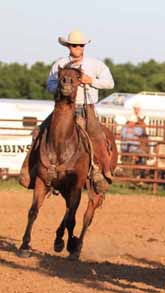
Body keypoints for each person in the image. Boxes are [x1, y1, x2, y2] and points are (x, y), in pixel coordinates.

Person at [18, 30, 115, 193]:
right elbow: (49, 85)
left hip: (85, 106)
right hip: (62, 107)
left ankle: (102, 171)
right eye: (74, 45)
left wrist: (90, 80)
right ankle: (30, 169)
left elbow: (110, 83)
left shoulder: (96, 64)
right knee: (39, 131)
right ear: (68, 46)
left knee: (97, 135)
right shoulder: (59, 64)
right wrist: (62, 87)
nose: (77, 47)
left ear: (84, 47)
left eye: (80, 45)